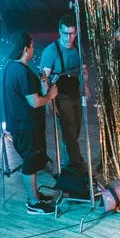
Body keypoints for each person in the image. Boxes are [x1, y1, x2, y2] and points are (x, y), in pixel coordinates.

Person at [1, 32, 59, 215]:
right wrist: (50, 95)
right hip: (26, 126)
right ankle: (33, 202)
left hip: (21, 124)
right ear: (26, 49)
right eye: (32, 45)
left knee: (34, 160)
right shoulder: (22, 72)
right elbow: (34, 102)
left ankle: (35, 195)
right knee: (30, 163)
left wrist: (42, 86)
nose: (34, 48)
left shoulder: (11, 68)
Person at [39, 13, 85, 174]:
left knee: (76, 129)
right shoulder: (51, 51)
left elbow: (82, 70)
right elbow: (44, 78)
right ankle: (77, 162)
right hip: (60, 96)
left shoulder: (78, 47)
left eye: (72, 33)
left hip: (75, 95)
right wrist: (49, 102)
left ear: (76, 32)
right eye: (65, 33)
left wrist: (86, 88)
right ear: (59, 32)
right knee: (69, 130)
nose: (68, 38)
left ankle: (69, 161)